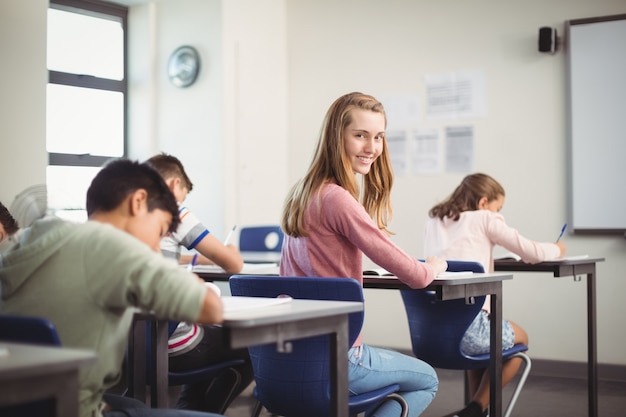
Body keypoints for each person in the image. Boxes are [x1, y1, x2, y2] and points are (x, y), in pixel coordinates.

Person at [0, 159, 227, 417]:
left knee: (134, 406)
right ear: (138, 201)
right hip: (75, 409)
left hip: (18, 405)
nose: (156, 247)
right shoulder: (113, 245)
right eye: (160, 229)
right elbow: (211, 309)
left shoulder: (33, 236)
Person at [280, 91, 448, 417]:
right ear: (336, 138)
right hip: (338, 357)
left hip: (288, 356)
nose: (372, 147)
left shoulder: (302, 193)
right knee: (427, 379)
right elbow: (416, 276)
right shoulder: (337, 199)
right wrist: (434, 265)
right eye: (360, 136)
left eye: (379, 137)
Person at [423, 172, 566, 417]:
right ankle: (476, 408)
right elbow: (531, 252)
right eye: (498, 208)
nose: (499, 214)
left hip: (433, 333)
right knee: (520, 341)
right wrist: (558, 248)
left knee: (485, 337)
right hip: (470, 333)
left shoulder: (435, 221)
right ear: (483, 203)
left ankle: (474, 409)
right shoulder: (484, 218)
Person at [146, 152, 253, 413]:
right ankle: (206, 413)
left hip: (129, 348)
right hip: (168, 344)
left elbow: (161, 251)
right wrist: (232, 254)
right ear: (173, 186)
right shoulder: (173, 211)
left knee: (208, 330)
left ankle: (188, 409)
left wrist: (199, 260)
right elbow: (233, 265)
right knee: (251, 347)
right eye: (183, 195)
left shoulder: (130, 214)